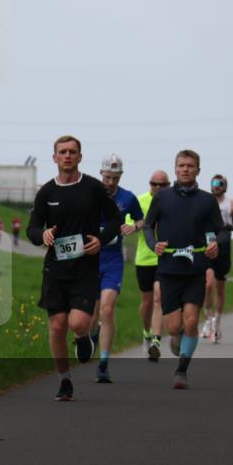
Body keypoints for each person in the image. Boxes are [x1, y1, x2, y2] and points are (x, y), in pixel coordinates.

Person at [28, 135, 121, 401]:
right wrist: (42, 235)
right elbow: (32, 228)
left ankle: (83, 337)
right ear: (54, 157)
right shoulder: (47, 192)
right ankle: (64, 380)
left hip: (85, 268)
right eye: (62, 152)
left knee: (78, 323)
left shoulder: (93, 187)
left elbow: (115, 219)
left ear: (80, 157)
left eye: (72, 152)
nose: (67, 156)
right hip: (55, 270)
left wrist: (100, 240)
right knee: (57, 326)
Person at [143, 149, 223, 390]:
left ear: (198, 170)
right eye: (181, 165)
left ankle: (181, 371)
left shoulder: (207, 200)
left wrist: (214, 244)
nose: (185, 169)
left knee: (191, 320)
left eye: (190, 165)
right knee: (173, 326)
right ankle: (177, 336)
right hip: (169, 270)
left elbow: (220, 230)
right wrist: (153, 244)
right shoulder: (162, 197)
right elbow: (148, 225)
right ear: (175, 169)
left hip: (195, 270)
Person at [87, 153, 144, 383]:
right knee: (91, 313)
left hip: (112, 260)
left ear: (120, 176)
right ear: (101, 173)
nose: (111, 182)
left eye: (115, 178)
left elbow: (141, 219)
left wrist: (134, 227)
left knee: (107, 310)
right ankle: (92, 335)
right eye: (108, 177)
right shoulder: (89, 194)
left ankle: (103, 363)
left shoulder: (127, 198)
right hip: (89, 259)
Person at [129, 170, 170, 361]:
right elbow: (129, 226)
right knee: (146, 302)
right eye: (154, 184)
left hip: (164, 258)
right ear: (149, 184)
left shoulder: (172, 201)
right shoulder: (139, 201)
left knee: (158, 298)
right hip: (144, 259)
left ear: (169, 185)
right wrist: (142, 223)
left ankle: (156, 341)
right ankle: (146, 333)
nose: (158, 187)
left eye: (163, 184)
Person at [201, 174, 233, 344]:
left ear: (225, 186)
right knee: (208, 285)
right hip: (207, 245)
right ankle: (207, 319)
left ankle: (217, 322)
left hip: (223, 247)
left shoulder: (231, 204)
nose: (216, 186)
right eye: (214, 183)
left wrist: (229, 226)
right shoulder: (205, 201)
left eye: (220, 183)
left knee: (220, 288)